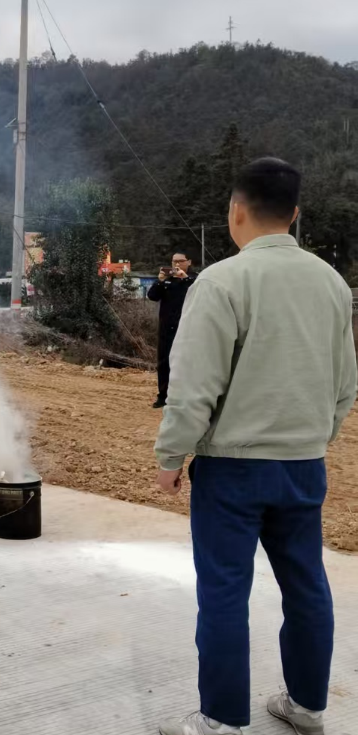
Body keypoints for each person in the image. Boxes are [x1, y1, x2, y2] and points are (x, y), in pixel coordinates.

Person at [154, 158, 356, 735]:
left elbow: (193, 386)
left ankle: (221, 720)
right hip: (303, 465)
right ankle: (308, 707)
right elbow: (346, 383)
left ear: (235, 211)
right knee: (307, 585)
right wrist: (315, 435)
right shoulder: (331, 282)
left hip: (232, 470)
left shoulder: (222, 281)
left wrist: (171, 456)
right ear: (295, 214)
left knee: (224, 591)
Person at [147, 252, 197, 408]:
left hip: (188, 327)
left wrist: (185, 279)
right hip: (167, 327)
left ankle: (187, 396)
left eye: (181, 261)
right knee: (164, 361)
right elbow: (152, 296)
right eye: (174, 261)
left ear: (189, 262)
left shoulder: (195, 279)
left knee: (188, 362)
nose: (177, 264)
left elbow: (200, 293)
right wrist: (160, 281)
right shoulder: (167, 280)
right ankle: (163, 396)